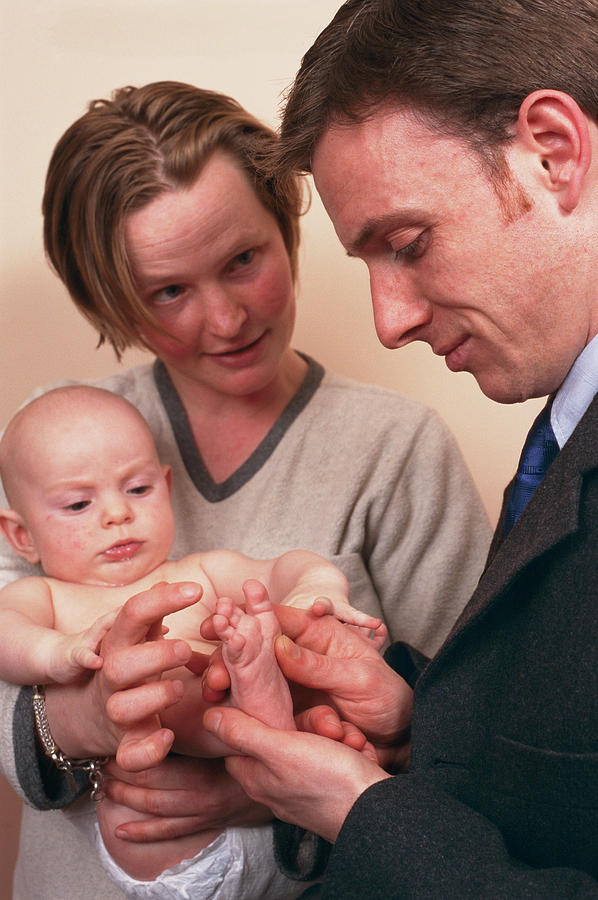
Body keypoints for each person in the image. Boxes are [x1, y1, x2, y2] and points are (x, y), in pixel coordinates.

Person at [0, 81, 491, 899]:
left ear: (286, 223)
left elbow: (467, 725)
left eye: (243, 261)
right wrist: (77, 721)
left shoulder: (395, 449)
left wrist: (263, 793)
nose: (225, 320)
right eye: (168, 292)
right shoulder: (54, 443)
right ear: (109, 298)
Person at [195, 1, 598, 896]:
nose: (388, 321)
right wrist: (417, 718)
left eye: (409, 244)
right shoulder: (565, 421)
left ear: (553, 150)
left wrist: (363, 812)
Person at [0, 384, 378, 896]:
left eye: (137, 490)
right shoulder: (44, 597)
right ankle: (265, 698)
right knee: (130, 816)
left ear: (167, 484)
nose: (117, 514)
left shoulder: (197, 572)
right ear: (21, 537)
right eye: (78, 503)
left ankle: (268, 702)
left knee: (261, 629)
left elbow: (289, 565)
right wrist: (57, 653)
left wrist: (315, 591)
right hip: (147, 842)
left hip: (265, 825)